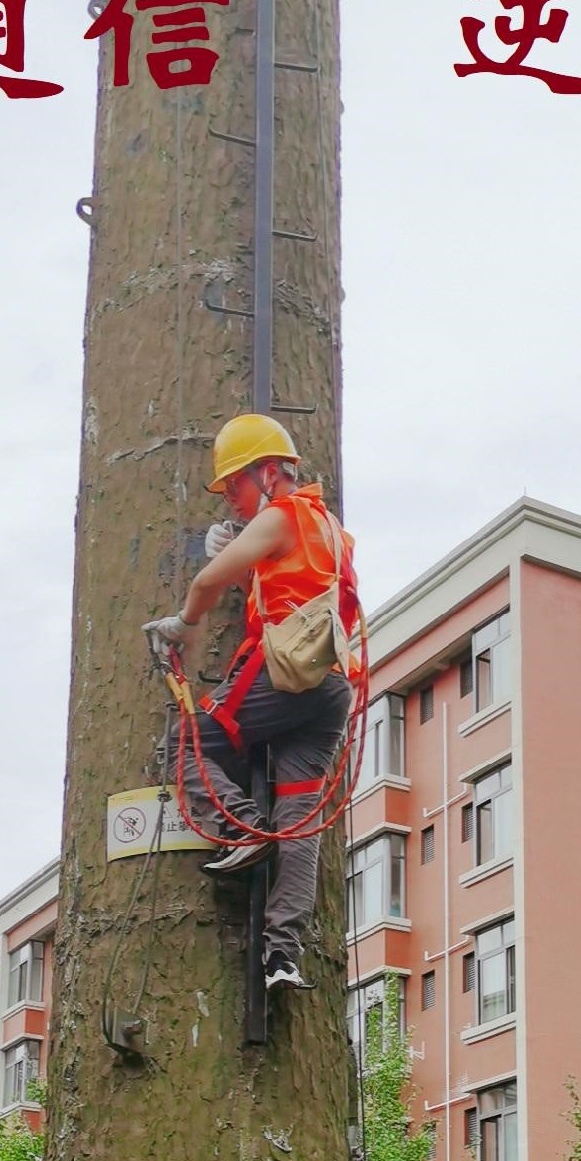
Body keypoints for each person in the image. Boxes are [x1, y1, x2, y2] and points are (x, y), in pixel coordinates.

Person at [144, 413, 357, 993]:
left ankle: (239, 831)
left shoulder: (282, 514)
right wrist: (247, 563)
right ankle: (282, 953)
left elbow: (205, 584)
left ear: (267, 473)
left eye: (234, 484)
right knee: (300, 818)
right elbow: (292, 593)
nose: (230, 499)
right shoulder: (329, 529)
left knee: (186, 743)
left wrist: (184, 623)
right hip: (328, 685)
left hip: (281, 673)